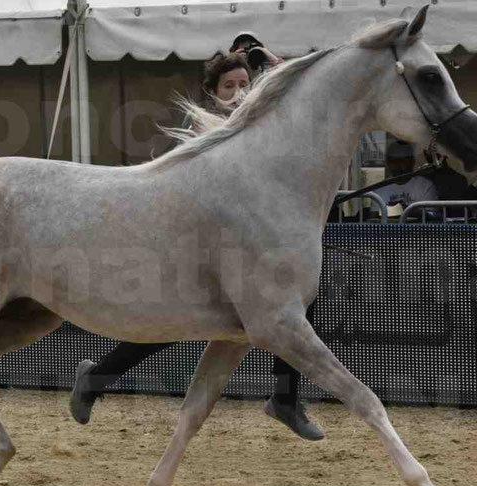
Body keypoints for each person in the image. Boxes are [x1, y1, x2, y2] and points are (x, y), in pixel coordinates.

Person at [70, 46, 325, 441]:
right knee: (165, 328)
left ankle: (285, 398)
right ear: (212, 92)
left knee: (294, 310)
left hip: (242, 255)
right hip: (196, 251)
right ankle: (95, 379)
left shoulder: (263, 128)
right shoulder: (198, 131)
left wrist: (277, 65)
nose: (238, 92)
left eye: (244, 84)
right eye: (228, 86)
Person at [374, 140, 437, 216]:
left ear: (412, 162)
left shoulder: (426, 186)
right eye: (393, 161)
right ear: (387, 163)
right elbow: (374, 218)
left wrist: (410, 211)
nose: (398, 165)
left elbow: (431, 217)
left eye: (403, 160)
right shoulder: (380, 189)